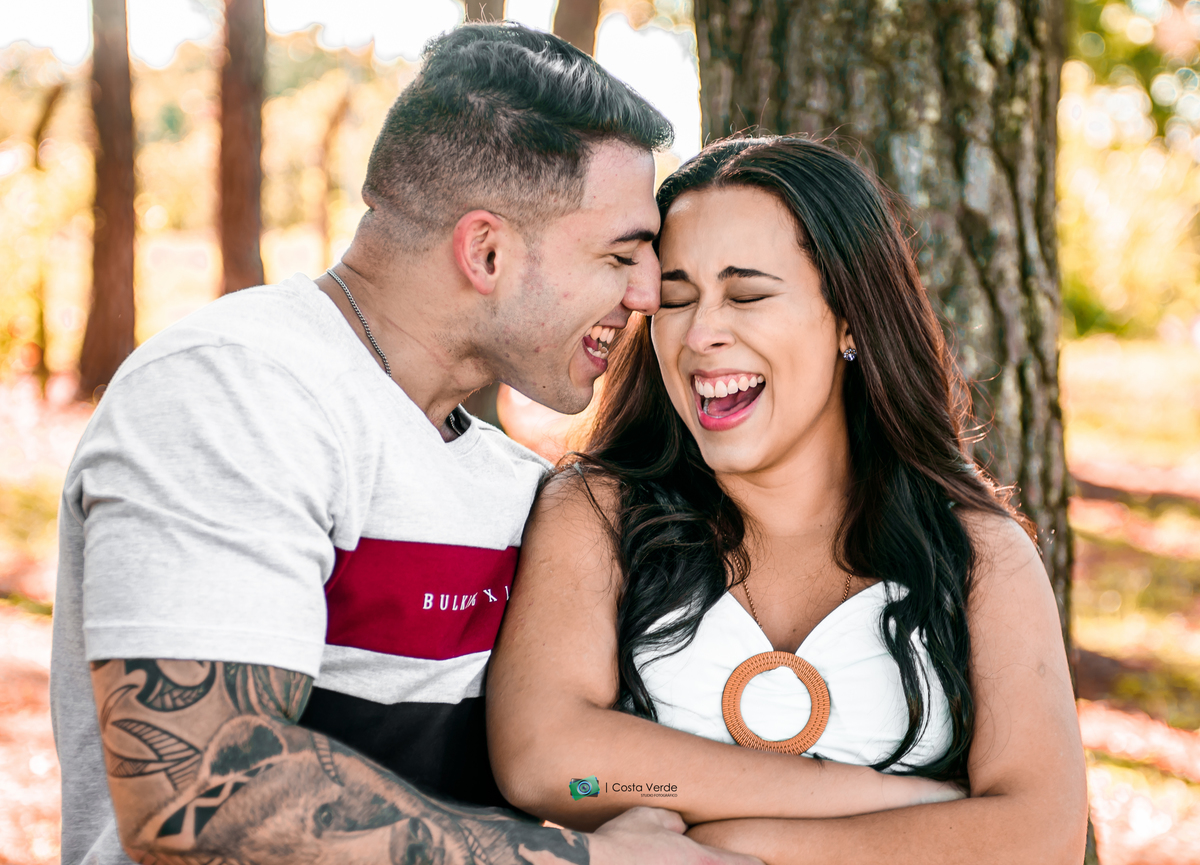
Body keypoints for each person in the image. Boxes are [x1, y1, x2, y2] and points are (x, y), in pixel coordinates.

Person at [51, 24, 761, 865]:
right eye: (619, 255)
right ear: (487, 252)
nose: (647, 294)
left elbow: (564, 769)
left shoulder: (523, 487)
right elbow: (200, 799)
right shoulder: (236, 392)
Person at [487, 136, 1089, 862]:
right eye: (676, 298)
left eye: (747, 295)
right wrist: (873, 796)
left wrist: (737, 843)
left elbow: (1043, 835)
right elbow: (553, 767)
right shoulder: (598, 514)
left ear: (850, 320)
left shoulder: (976, 551)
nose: (701, 333)